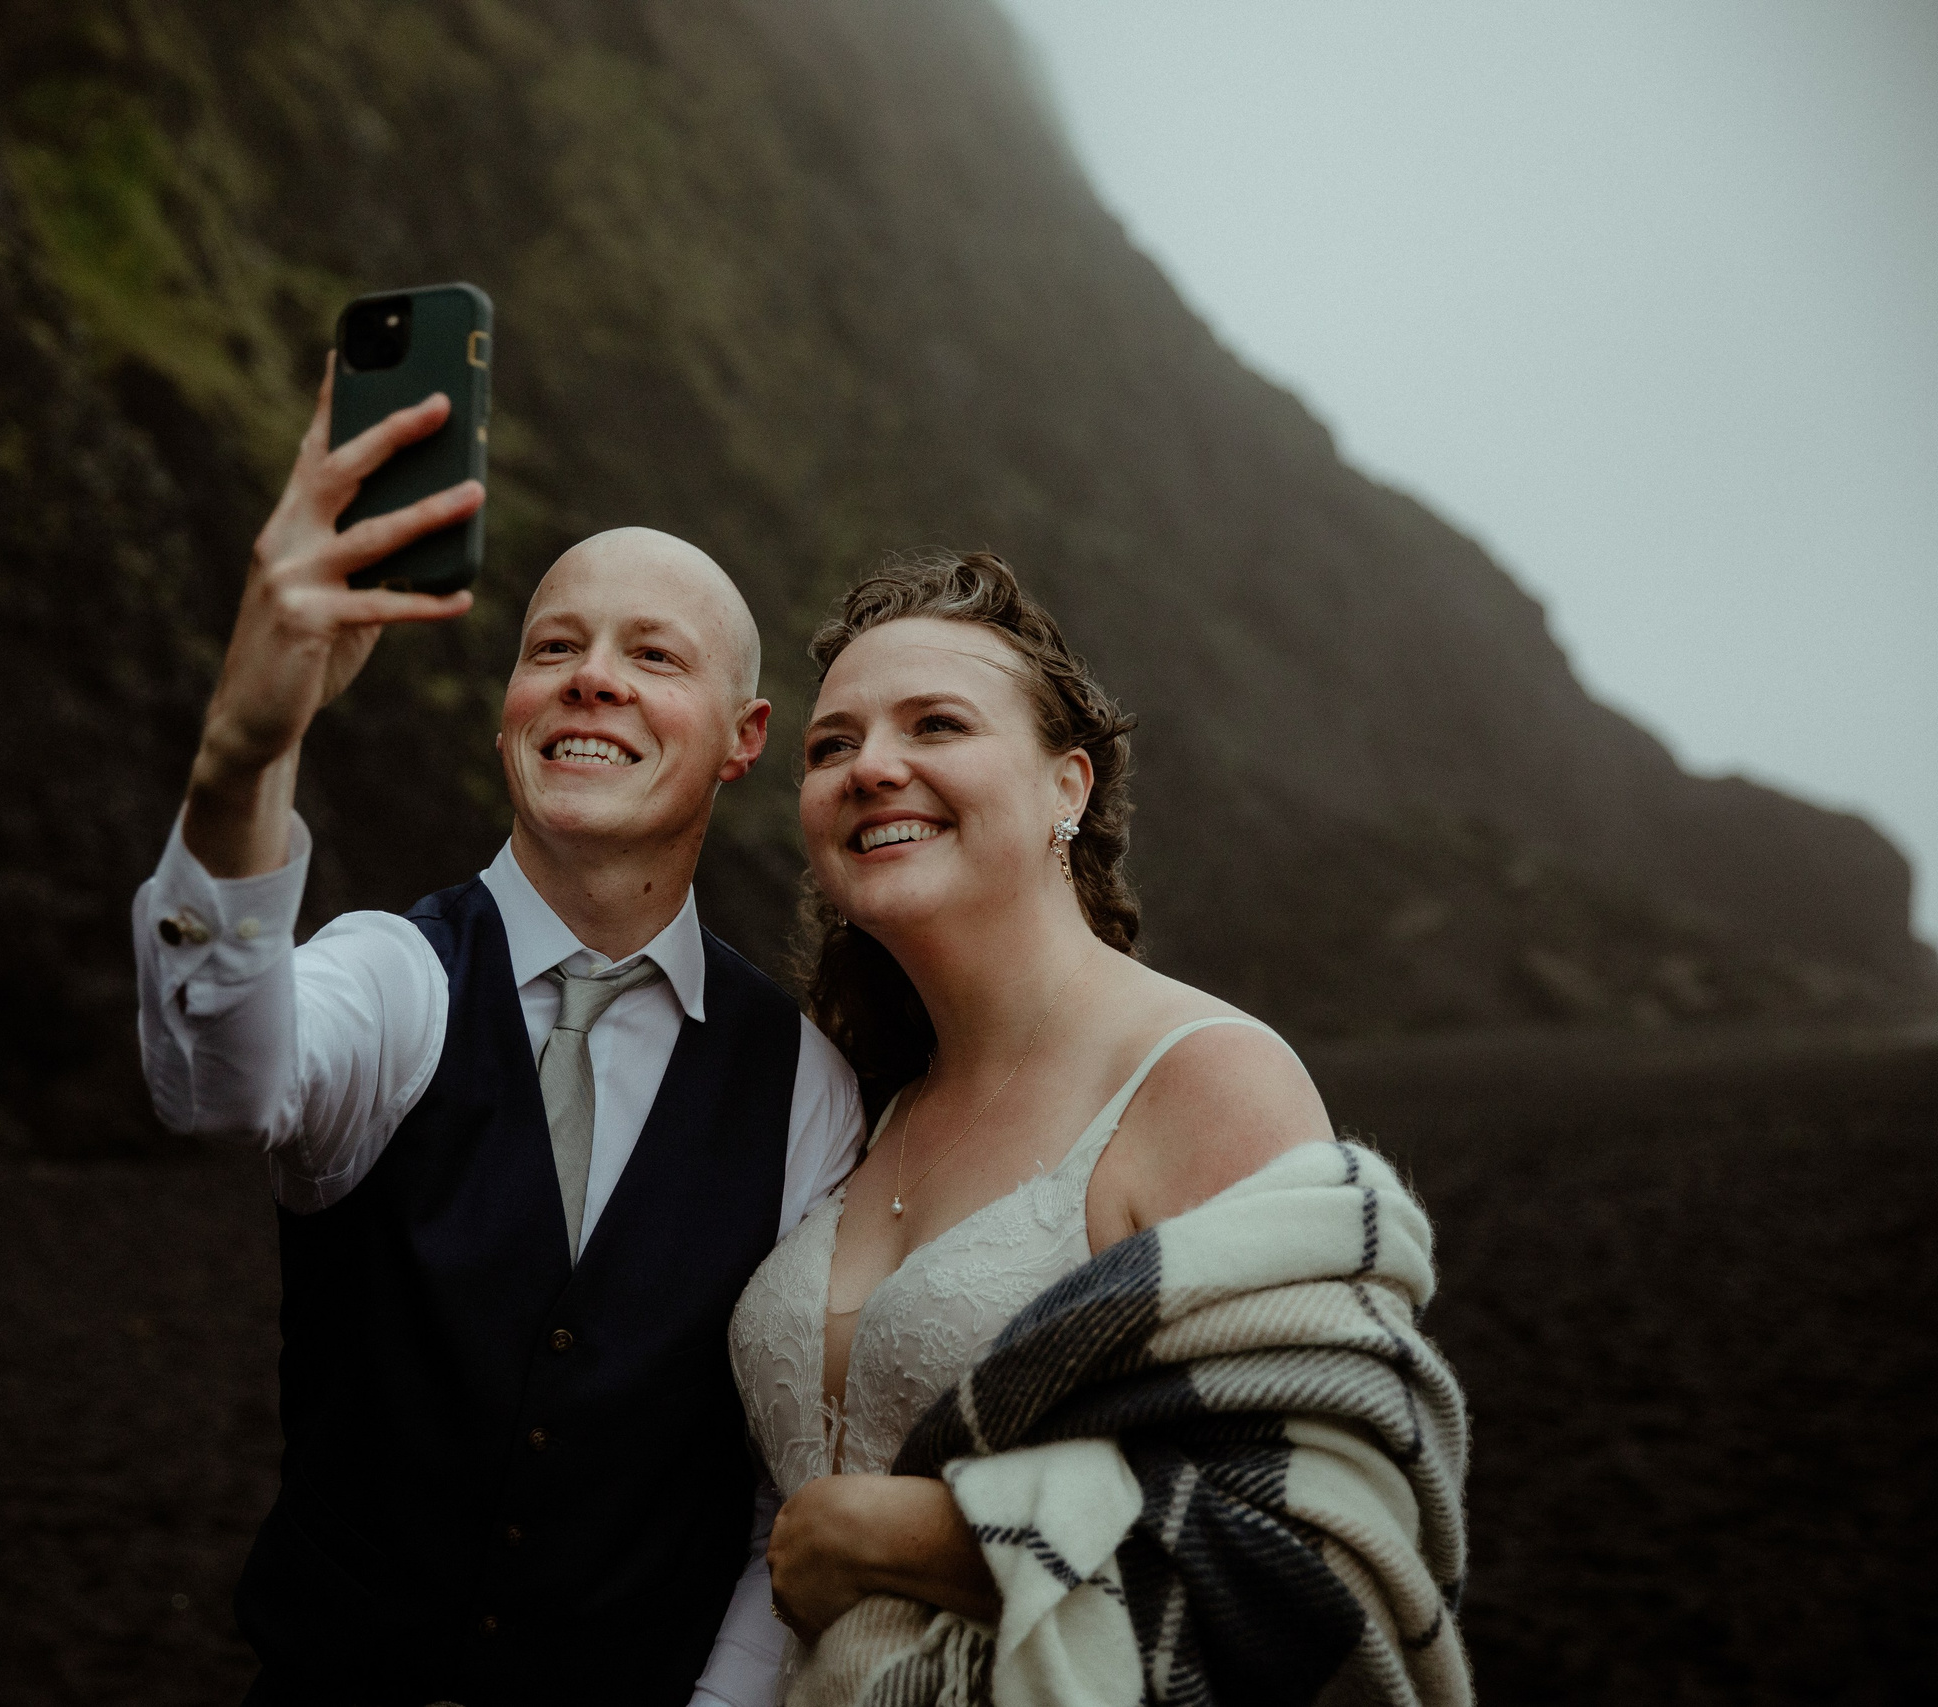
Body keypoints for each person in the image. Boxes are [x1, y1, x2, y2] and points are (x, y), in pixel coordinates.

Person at [134, 363, 862, 1707]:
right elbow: (222, 1084)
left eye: (654, 655)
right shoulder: (398, 974)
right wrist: (244, 754)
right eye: (553, 647)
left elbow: (783, 1478)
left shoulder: (803, 1085)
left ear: (745, 736)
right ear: (506, 711)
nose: (593, 680)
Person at [729, 552, 1469, 1704]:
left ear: (1067, 787)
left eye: (936, 724)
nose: (873, 767)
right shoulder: (861, 1104)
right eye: (832, 746)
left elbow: (1330, 1555)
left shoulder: (1203, 1079)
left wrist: (917, 1540)